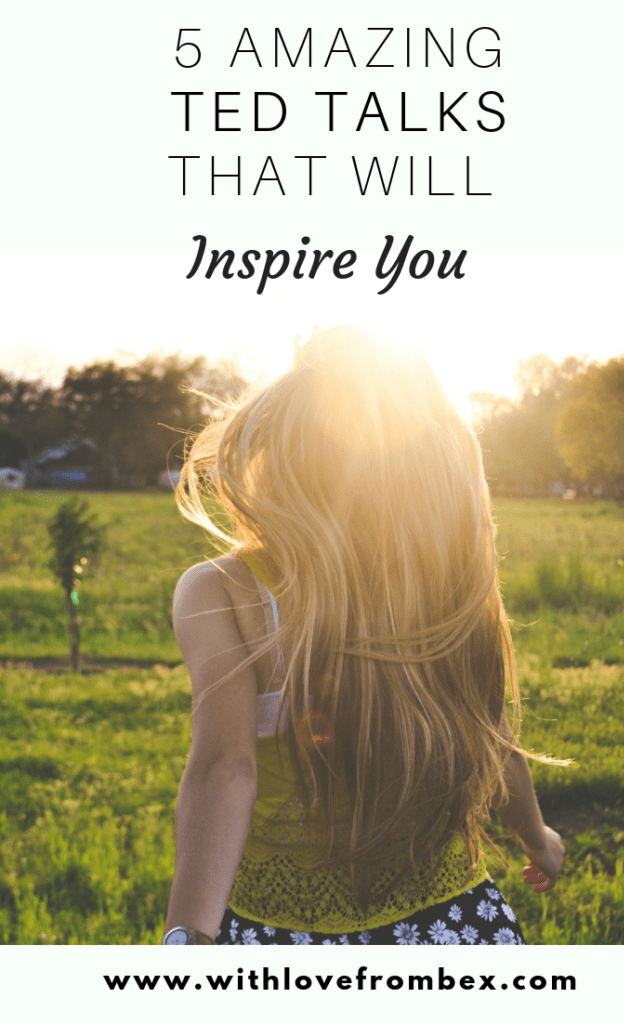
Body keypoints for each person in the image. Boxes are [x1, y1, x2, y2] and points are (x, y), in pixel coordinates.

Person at [163, 327, 565, 947]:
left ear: (276, 454)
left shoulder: (222, 590)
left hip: (284, 934)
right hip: (451, 924)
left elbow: (226, 767)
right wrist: (539, 839)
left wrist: (187, 935)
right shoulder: (447, 582)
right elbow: (492, 733)